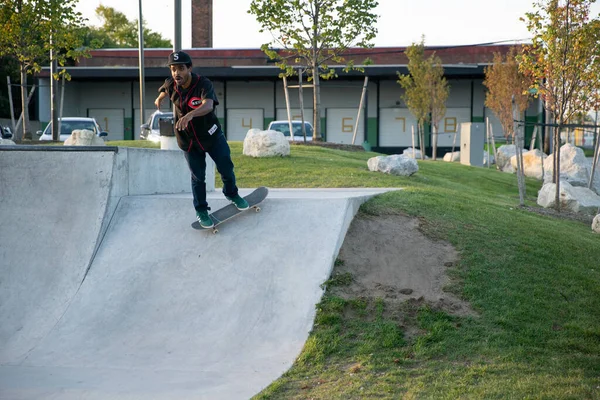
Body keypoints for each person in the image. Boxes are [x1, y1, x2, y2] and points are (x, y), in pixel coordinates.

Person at [155, 50, 248, 229]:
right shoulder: (170, 84)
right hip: (188, 140)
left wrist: (190, 115)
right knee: (198, 177)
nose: (176, 73)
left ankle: (231, 193)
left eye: (180, 69)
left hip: (211, 135)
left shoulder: (203, 84)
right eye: (173, 69)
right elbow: (164, 88)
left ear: (189, 68)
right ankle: (201, 210)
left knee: (226, 166)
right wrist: (160, 97)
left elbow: (208, 105)